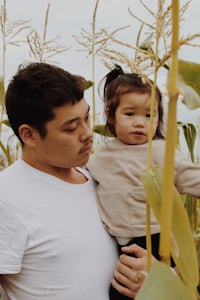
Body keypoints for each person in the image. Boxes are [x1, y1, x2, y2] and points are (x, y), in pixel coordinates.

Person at [0, 62, 149, 300]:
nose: (87, 133)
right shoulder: (6, 198)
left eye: (87, 117)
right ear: (29, 135)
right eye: (70, 129)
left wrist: (155, 279)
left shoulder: (101, 179)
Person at [86, 64, 200, 299]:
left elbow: (192, 177)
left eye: (150, 115)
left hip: (156, 241)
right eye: (130, 114)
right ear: (110, 116)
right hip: (116, 245)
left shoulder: (160, 151)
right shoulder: (101, 156)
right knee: (119, 291)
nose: (140, 122)